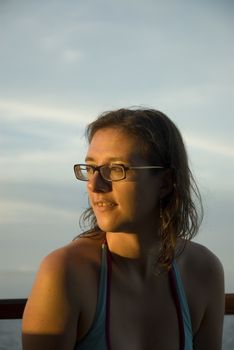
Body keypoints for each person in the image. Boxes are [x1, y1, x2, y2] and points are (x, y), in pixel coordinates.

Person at [22, 108, 225, 350]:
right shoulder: (66, 274)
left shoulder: (203, 272)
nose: (95, 185)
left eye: (116, 169)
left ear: (165, 182)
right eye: (91, 168)